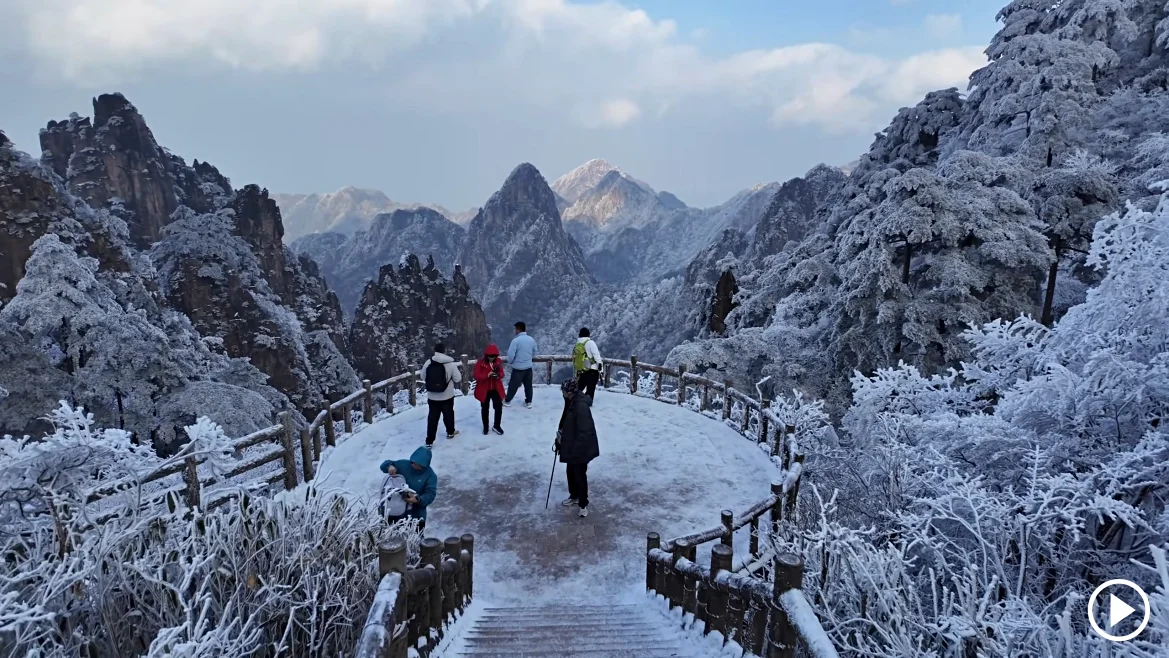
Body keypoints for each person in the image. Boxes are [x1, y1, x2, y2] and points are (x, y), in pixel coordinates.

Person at [556, 378, 599, 517]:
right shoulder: (570, 402)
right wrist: (559, 438)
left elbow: (585, 431)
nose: (562, 393)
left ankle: (583, 504)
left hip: (581, 448)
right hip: (571, 444)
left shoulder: (580, 406)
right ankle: (574, 496)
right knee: (571, 472)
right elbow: (565, 424)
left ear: (569, 392)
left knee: (579, 475)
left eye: (563, 390)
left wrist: (577, 450)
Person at [379, 446, 438, 533]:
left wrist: (417, 499)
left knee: (414, 541)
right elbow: (383, 465)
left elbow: (430, 494)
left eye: (418, 465)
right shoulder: (403, 465)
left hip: (416, 516)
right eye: (413, 463)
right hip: (395, 510)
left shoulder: (430, 476)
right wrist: (389, 466)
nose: (414, 465)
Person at [420, 342, 461, 445]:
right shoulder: (451, 364)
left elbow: (422, 376)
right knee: (448, 414)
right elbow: (458, 378)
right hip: (447, 395)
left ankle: (429, 441)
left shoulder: (428, 362)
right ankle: (450, 432)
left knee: (432, 418)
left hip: (432, 396)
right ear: (445, 351)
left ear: (435, 351)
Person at [473, 344, 506, 435]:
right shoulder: (480, 362)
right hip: (484, 389)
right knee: (484, 408)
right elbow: (476, 375)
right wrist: (486, 375)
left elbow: (502, 373)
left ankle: (497, 425)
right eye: (490, 356)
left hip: (495, 388)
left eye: (494, 356)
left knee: (498, 407)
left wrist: (498, 375)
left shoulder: (498, 362)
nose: (492, 358)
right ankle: (485, 427)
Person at [505, 321, 537, 408]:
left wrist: (512, 362)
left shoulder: (515, 341)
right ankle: (529, 402)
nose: (514, 331)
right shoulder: (531, 339)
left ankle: (508, 401)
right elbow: (535, 352)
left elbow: (511, 354)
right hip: (528, 367)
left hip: (518, 368)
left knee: (513, 386)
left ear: (518, 329)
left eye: (515, 329)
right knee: (528, 386)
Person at [573, 327, 603, 400]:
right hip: (592, 369)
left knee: (580, 387)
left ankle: (574, 399)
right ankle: (587, 403)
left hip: (582, 369)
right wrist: (600, 367)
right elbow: (596, 355)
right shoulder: (590, 343)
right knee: (590, 389)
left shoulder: (578, 344)